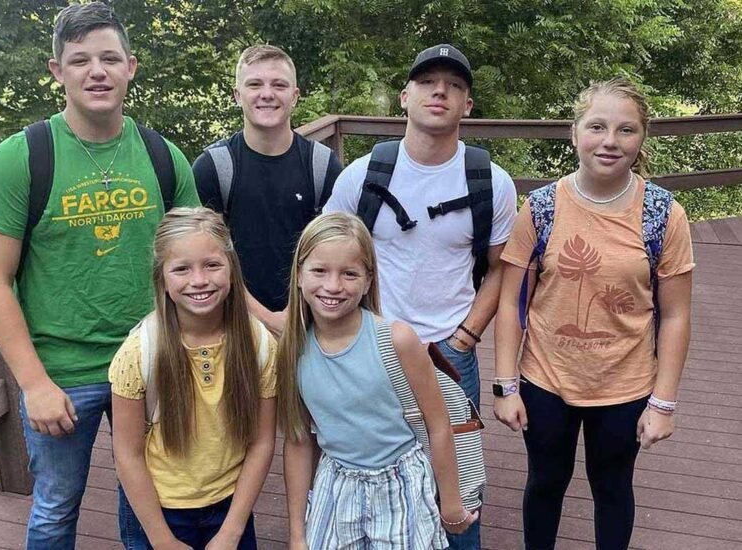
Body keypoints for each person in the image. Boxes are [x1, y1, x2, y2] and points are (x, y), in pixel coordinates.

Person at [0, 3, 199, 547]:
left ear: (130, 67)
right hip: (62, 372)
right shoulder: (21, 158)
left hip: (152, 362)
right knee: (55, 507)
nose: (97, 71)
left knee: (151, 498)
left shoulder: (163, 157)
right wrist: (33, 384)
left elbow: (195, 262)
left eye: (109, 58)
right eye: (80, 60)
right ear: (57, 71)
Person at [324, 44, 517, 549]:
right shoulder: (362, 176)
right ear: (404, 97)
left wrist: (465, 336)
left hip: (449, 353)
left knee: (460, 488)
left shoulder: (491, 183)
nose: (440, 92)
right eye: (428, 83)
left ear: (467, 105)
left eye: (453, 86)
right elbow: (324, 256)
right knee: (372, 473)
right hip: (372, 349)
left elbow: (501, 268)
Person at [493, 77, 694, 550]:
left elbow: (676, 316)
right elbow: (511, 303)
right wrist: (505, 386)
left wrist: (663, 403)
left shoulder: (663, 215)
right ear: (575, 132)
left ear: (642, 138)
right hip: (546, 380)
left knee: (613, 487)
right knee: (545, 482)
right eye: (597, 127)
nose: (610, 141)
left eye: (626, 130)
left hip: (626, 384)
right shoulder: (541, 208)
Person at [278, 212, 477, 549]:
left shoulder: (396, 339)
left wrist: (452, 503)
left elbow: (439, 424)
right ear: (299, 274)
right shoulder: (293, 349)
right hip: (336, 484)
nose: (333, 286)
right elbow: (299, 440)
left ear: (369, 280)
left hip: (400, 484)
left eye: (349, 273)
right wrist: (297, 533)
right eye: (319, 271)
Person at [110, 207, 277, 549]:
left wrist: (231, 532)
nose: (199, 280)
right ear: (162, 278)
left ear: (232, 269)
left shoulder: (259, 345)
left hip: (230, 506)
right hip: (159, 512)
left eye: (212, 265)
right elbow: (127, 454)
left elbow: (262, 442)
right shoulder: (138, 352)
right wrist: (161, 540)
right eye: (181, 269)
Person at [193, 44, 343, 337]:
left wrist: (299, 315)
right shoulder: (213, 167)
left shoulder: (322, 165)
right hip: (234, 325)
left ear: (295, 96)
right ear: (237, 95)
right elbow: (207, 259)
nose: (267, 94)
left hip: (311, 321)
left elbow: (336, 254)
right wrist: (266, 319)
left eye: (279, 85)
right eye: (254, 84)